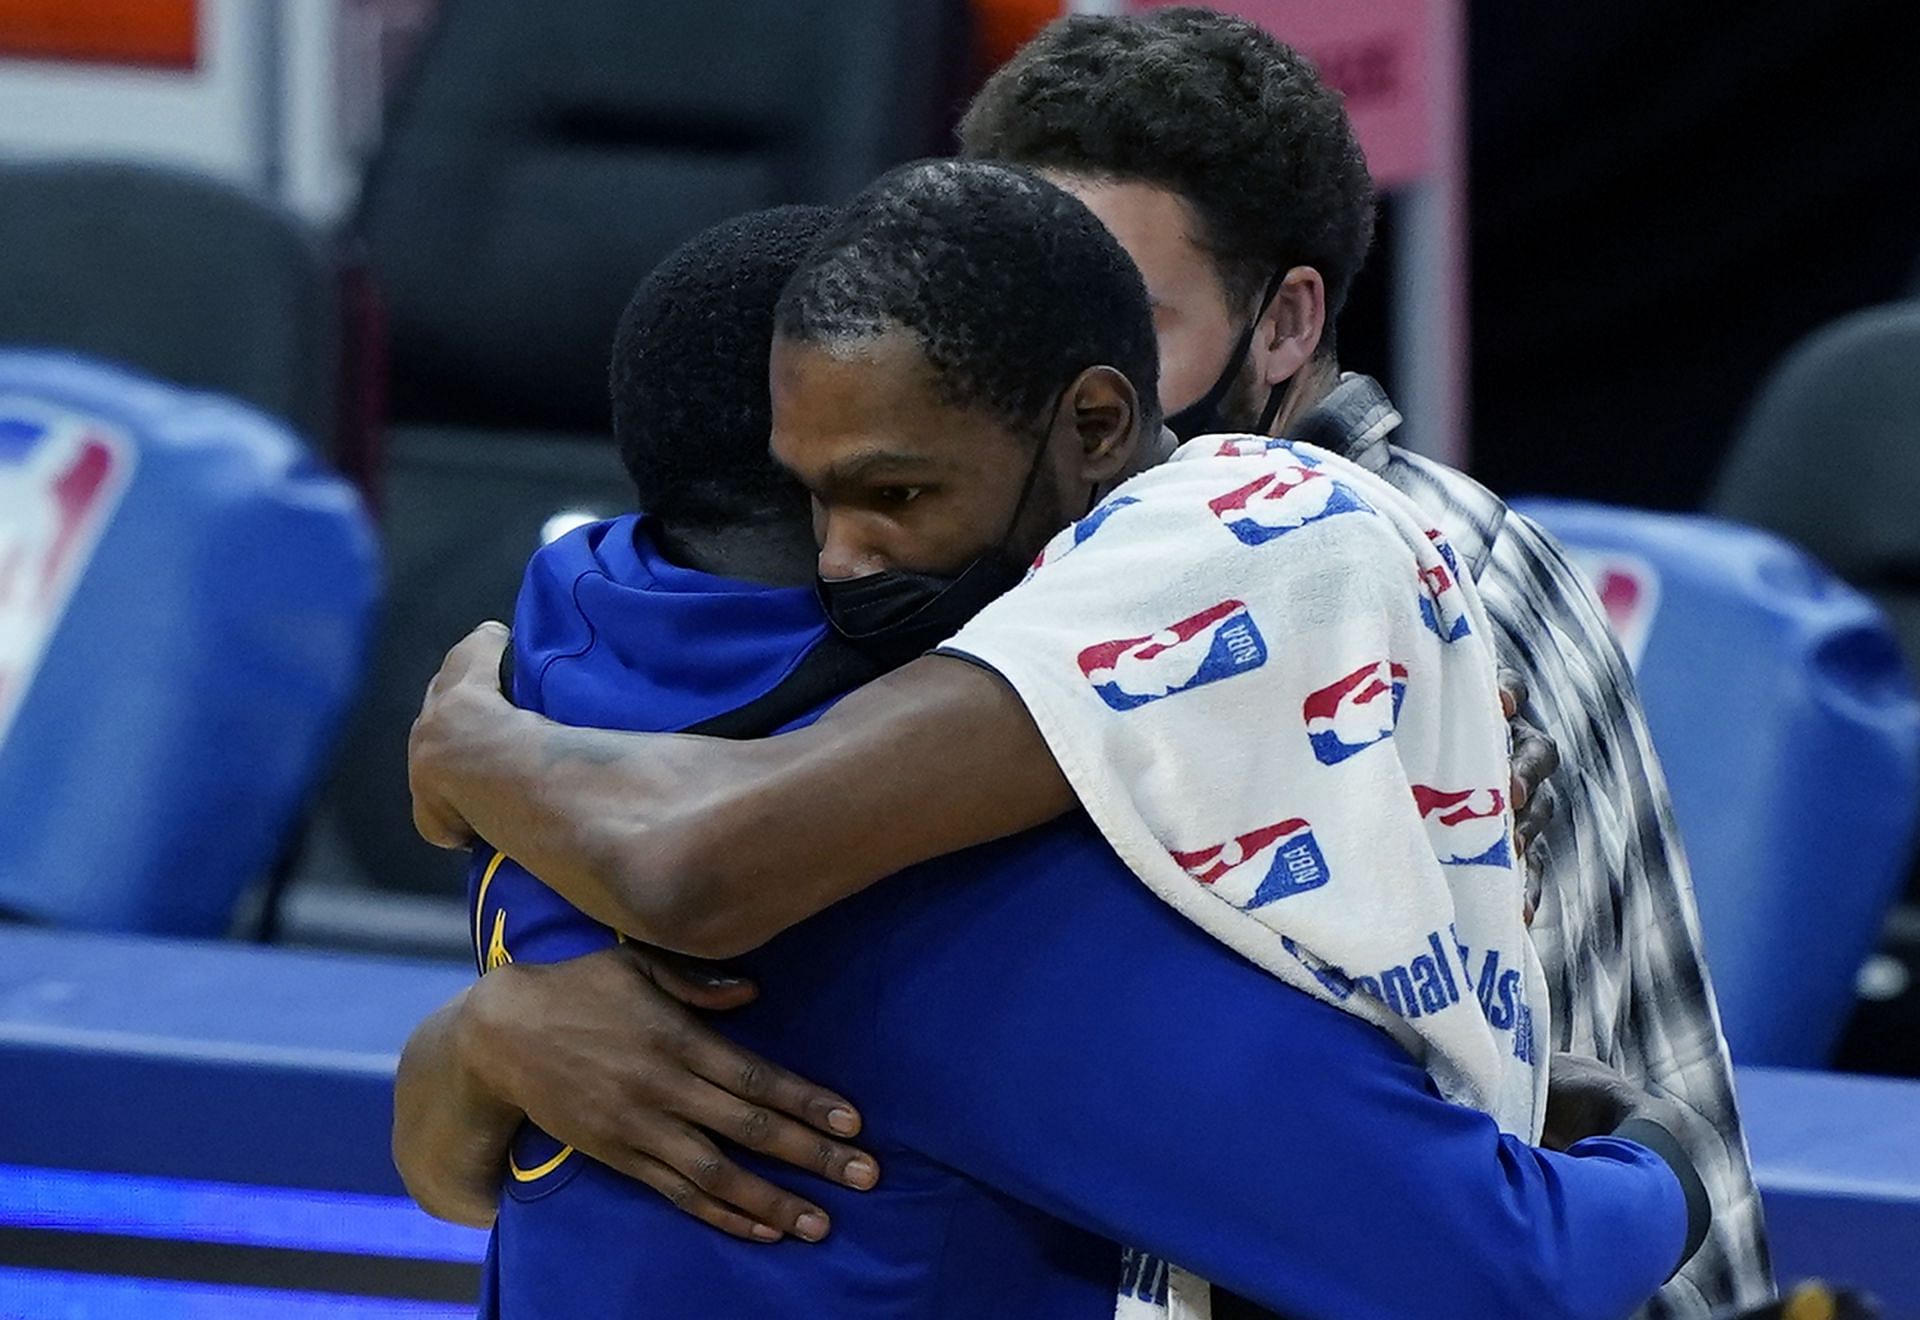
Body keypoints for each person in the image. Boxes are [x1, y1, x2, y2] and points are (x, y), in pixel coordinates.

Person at [410, 12, 1767, 1318]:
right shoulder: (954, 839)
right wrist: (480, 1045)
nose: (850, 554)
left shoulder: (574, 640)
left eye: (1125, 316)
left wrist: (475, 765)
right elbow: (1498, 1258)